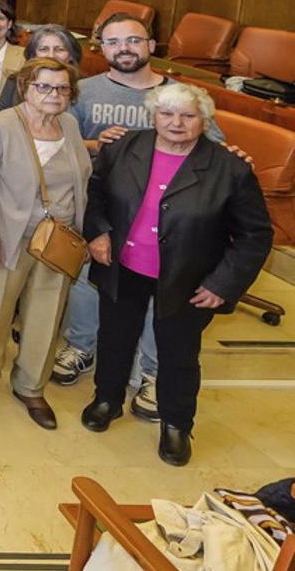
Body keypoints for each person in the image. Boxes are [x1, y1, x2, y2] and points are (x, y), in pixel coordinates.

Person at [80, 83, 272, 466]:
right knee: (115, 337)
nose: (176, 123)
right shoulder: (124, 148)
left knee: (178, 353)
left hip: (188, 277)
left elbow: (255, 235)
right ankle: (107, 400)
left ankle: (176, 424)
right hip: (124, 266)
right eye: (167, 114)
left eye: (188, 115)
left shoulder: (229, 169)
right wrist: (98, 231)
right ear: (153, 116)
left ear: (205, 121)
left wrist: (223, 283)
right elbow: (95, 193)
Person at [53, 13, 228, 410]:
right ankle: (81, 346)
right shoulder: (82, 91)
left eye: (133, 40)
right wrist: (95, 143)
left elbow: (213, 148)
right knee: (85, 281)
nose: (124, 49)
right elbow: (57, 141)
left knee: (162, 294)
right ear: (102, 47)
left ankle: (152, 370)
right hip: (97, 206)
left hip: (163, 217)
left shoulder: (182, 97)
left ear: (151, 45)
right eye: (113, 42)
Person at [0, 58, 91, 430]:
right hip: (5, 237)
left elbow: (81, 180)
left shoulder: (69, 125)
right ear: (26, 88)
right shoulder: (2, 125)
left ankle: (31, 384)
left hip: (57, 240)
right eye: (44, 87)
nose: (53, 95)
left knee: (48, 313)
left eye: (62, 88)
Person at [0, 24, 80, 111]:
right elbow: (0, 119)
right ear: (33, 55)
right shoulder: (15, 81)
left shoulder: (83, 85)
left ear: (71, 55)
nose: (51, 55)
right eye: (44, 49)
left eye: (59, 49)